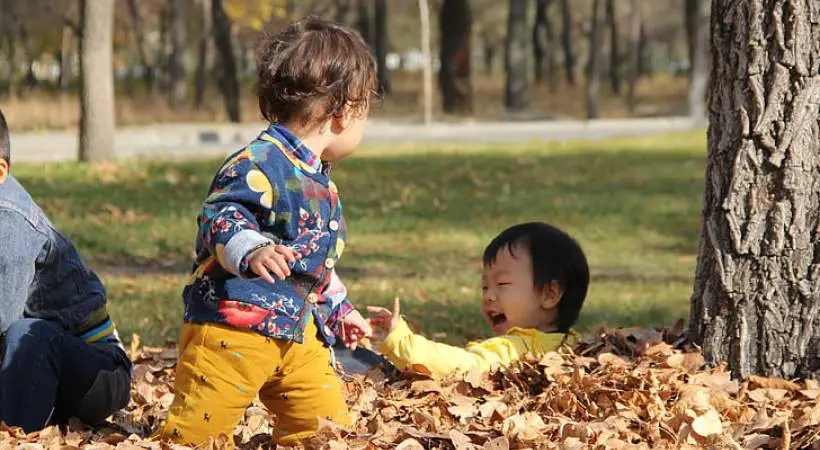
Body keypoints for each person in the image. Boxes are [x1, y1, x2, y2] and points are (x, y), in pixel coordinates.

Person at [161, 17, 375, 447]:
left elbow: (316, 263)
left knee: (325, 428)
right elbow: (221, 216)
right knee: (196, 433)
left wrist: (340, 310)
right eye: (366, 107)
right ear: (343, 112)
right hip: (232, 331)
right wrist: (253, 248)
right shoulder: (258, 162)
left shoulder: (320, 184)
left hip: (297, 334)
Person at [0, 110, 131, 432]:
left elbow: (2, 321)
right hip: (34, 368)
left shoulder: (10, 224)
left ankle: (15, 433)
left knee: (29, 334)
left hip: (97, 374)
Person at [368, 222, 589, 380]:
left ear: (550, 294)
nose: (488, 296)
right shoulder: (581, 348)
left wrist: (400, 340)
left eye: (502, 284)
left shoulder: (512, 349)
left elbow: (462, 367)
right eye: (485, 287)